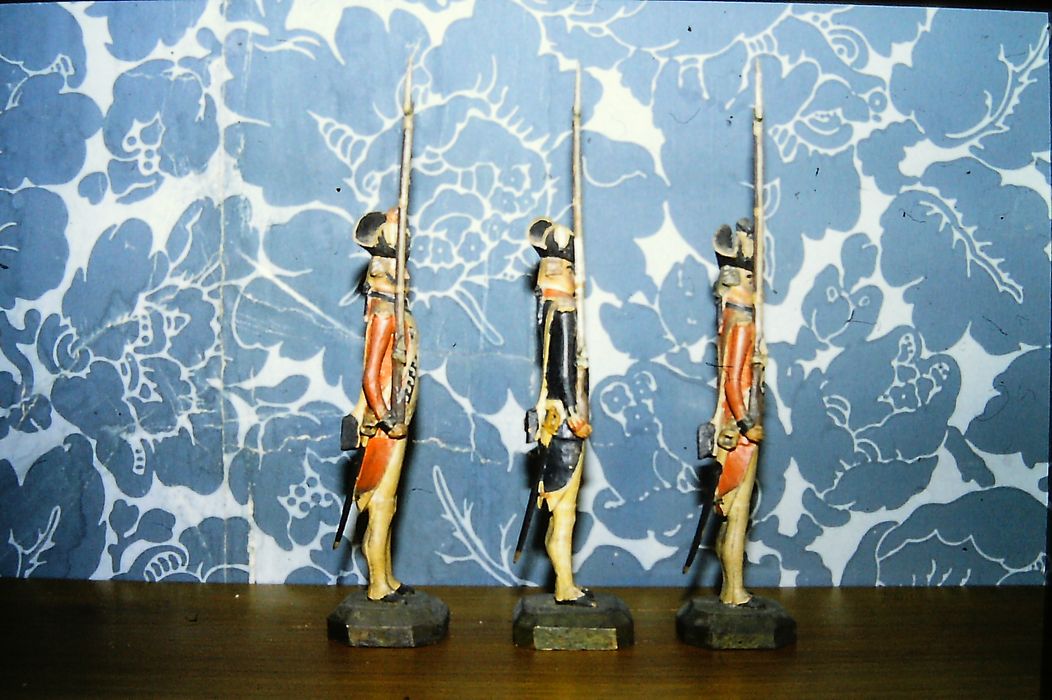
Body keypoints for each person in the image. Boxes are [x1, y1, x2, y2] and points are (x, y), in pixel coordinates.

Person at [342, 208, 418, 602]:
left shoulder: (396, 313)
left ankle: (387, 578)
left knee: (388, 505)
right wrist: (388, 419)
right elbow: (371, 376)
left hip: (397, 416)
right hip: (388, 423)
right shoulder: (385, 316)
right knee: (381, 505)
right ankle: (377, 585)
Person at [526, 217, 593, 606]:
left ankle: (564, 582)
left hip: (554, 419)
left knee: (561, 510)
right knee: (564, 512)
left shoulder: (550, 308)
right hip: (565, 423)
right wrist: (573, 414)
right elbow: (563, 373)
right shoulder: (564, 312)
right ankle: (564, 586)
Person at [708, 218, 765, 606]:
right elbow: (732, 382)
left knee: (733, 515)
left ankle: (732, 587)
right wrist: (747, 423)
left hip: (734, 424)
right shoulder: (742, 322)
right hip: (741, 430)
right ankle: (733, 590)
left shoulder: (731, 318)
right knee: (739, 514)